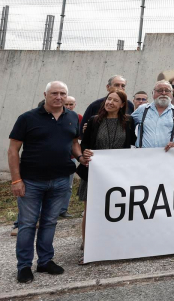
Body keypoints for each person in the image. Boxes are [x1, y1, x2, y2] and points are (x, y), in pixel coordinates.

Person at [8, 81, 89, 283]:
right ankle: (24, 266)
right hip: (31, 181)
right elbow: (13, 150)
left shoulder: (72, 117)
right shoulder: (27, 118)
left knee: (50, 222)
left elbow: (73, 143)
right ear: (45, 94)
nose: (59, 97)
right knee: (27, 224)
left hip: (61, 180)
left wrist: (80, 157)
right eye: (54, 93)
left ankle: (45, 261)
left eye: (62, 93)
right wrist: (16, 180)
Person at [77, 90, 136, 263]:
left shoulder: (129, 121)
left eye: (115, 100)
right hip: (94, 173)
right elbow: (84, 145)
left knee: (115, 210)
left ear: (122, 105)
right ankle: (88, 247)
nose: (110, 102)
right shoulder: (94, 121)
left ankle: (112, 246)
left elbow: (132, 144)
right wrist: (85, 152)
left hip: (117, 175)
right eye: (109, 99)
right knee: (90, 211)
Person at [131, 80, 174, 150]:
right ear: (153, 93)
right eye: (160, 90)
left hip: (167, 154)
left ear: (171, 94)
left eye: (167, 91)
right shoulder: (142, 109)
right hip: (143, 154)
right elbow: (127, 124)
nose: (163, 93)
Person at [60, 96, 82, 218]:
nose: (68, 107)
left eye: (71, 104)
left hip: (72, 157)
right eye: (66, 104)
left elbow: (79, 137)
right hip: (57, 157)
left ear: (75, 105)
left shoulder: (78, 117)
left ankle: (63, 209)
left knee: (68, 186)